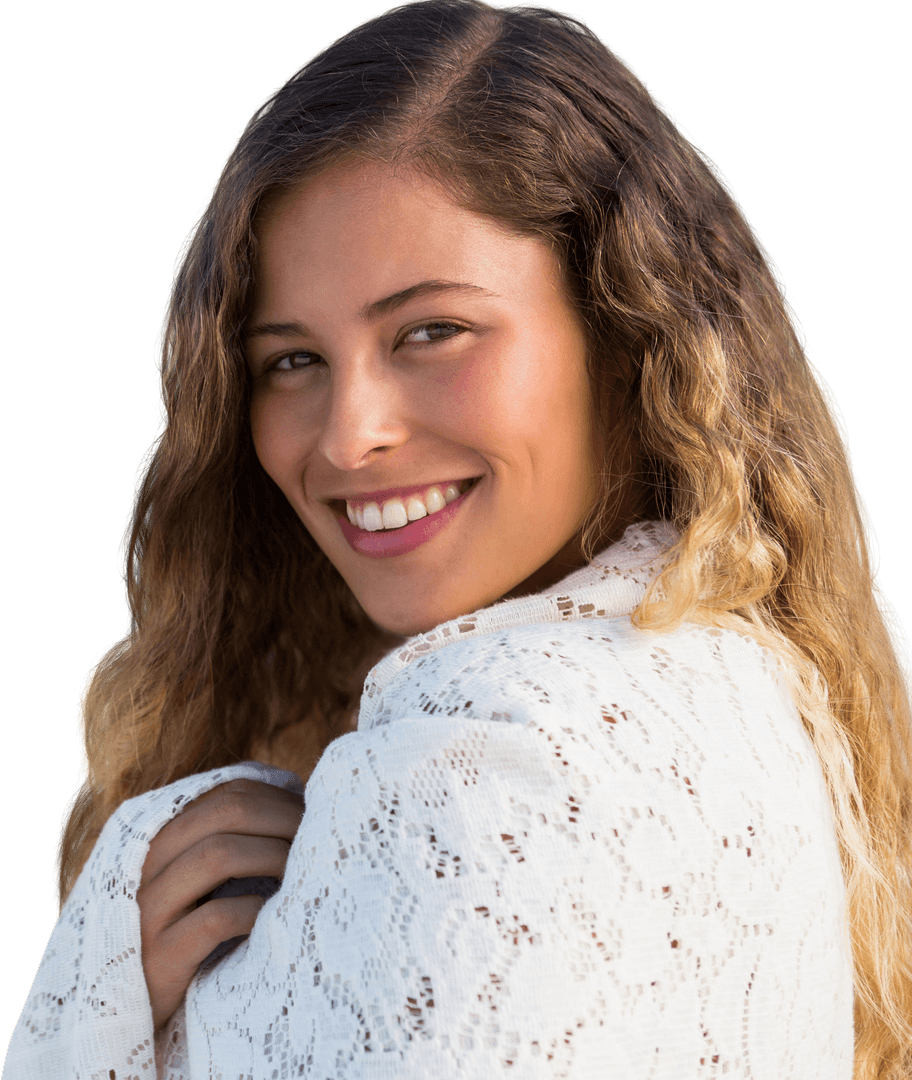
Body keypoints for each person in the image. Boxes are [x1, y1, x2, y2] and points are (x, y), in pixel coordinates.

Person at [4, 0, 910, 1077]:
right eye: (291, 360)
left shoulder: (485, 763)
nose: (349, 437)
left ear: (622, 334)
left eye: (432, 332)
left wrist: (100, 1004)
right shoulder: (735, 680)